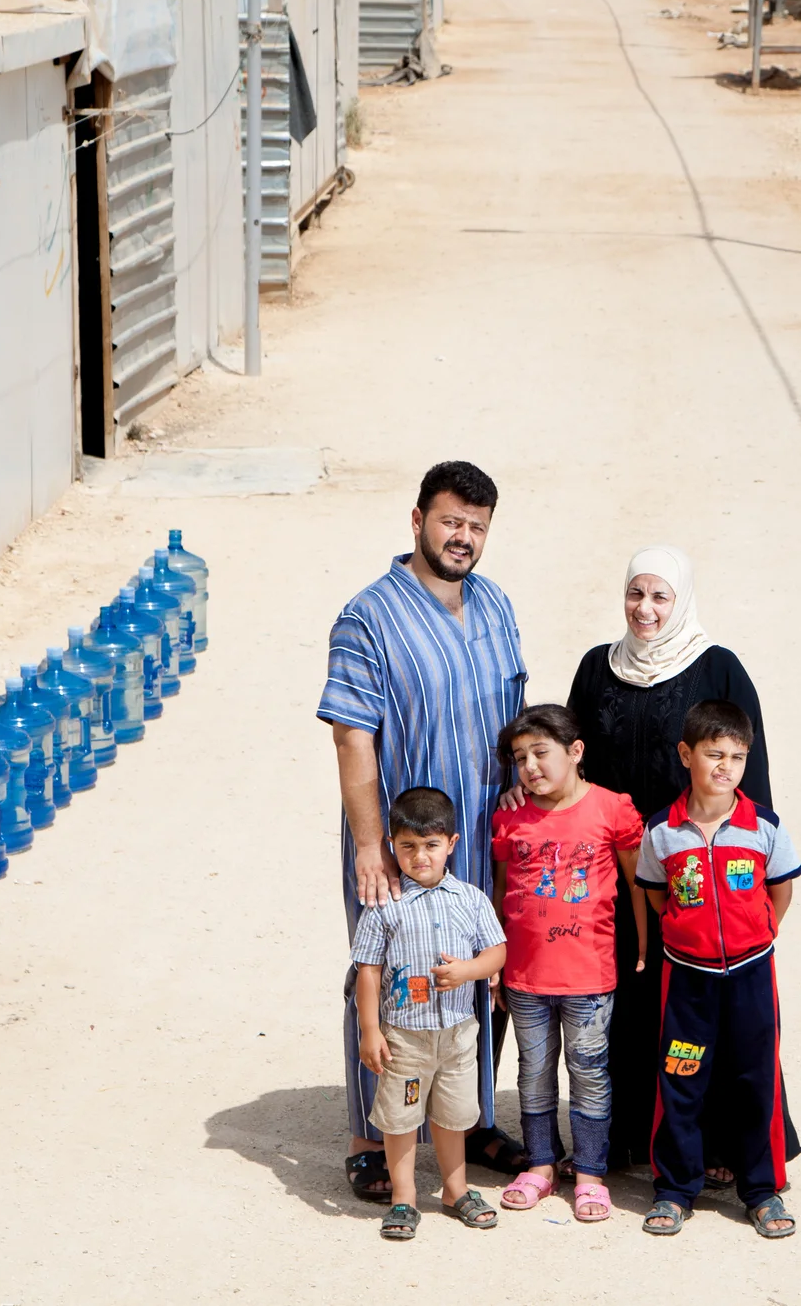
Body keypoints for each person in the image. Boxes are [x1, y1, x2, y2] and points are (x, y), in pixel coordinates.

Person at [320, 460, 528, 1206]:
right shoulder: (367, 616)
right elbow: (352, 737)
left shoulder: (496, 605)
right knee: (388, 974)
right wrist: (372, 845)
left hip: (481, 833)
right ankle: (369, 1136)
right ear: (417, 520)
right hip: (404, 844)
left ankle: (464, 1118)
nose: (462, 537)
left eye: (476, 526)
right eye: (450, 521)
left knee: (476, 974)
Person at [563, 545, 786, 1173]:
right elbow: (573, 762)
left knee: (707, 1003)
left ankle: (719, 1146)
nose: (646, 609)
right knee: (627, 995)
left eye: (661, 596)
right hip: (616, 870)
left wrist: (754, 880)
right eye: (636, 593)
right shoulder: (597, 667)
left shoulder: (717, 668)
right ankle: (630, 1133)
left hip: (699, 868)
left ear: (681, 599)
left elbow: (751, 774)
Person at [635, 700, 801, 1239]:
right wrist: (692, 934)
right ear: (687, 755)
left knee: (755, 1078)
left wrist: (759, 932)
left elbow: (781, 890)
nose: (725, 766)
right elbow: (658, 899)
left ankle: (762, 1190)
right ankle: (675, 1188)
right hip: (687, 981)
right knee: (681, 1077)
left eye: (737, 756)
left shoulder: (764, 827)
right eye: (714, 754)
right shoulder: (662, 832)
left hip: (752, 977)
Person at [488, 703, 646, 1223]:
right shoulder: (510, 815)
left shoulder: (612, 810)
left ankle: (592, 1172)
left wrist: (645, 946)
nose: (530, 766)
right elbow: (500, 893)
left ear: (576, 752)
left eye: (541, 753)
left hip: (589, 978)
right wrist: (494, 962)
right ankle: (539, 1165)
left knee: (590, 1073)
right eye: (519, 758)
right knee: (533, 1072)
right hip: (526, 978)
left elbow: (636, 884)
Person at [351, 786, 508, 1239]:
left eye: (431, 845)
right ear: (392, 847)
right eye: (408, 847)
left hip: (458, 1034)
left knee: (453, 1114)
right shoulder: (385, 906)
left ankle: (455, 1189)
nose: (421, 857)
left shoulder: (471, 899)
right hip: (405, 1037)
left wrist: (468, 971)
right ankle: (404, 1198)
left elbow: (496, 952)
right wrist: (369, 1030)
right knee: (401, 1118)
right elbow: (368, 969)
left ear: (451, 844)